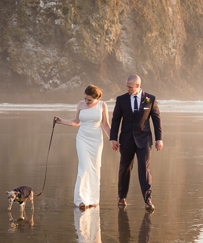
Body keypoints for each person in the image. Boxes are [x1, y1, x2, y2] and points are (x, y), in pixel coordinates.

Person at [108, 74, 162, 210]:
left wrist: (159, 139)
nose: (127, 89)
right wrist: (113, 138)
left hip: (144, 140)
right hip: (126, 140)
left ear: (138, 85)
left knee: (145, 169)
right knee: (125, 168)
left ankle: (148, 200)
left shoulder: (150, 99)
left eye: (130, 87)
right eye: (126, 86)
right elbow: (116, 120)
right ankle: (121, 197)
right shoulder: (121, 99)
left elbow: (156, 120)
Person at [55, 84, 107, 209]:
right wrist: (62, 121)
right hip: (82, 139)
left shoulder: (102, 105)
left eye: (89, 100)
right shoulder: (80, 105)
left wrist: (113, 140)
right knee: (84, 168)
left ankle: (93, 199)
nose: (86, 102)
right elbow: (76, 122)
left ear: (97, 98)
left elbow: (105, 125)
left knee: (95, 169)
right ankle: (81, 200)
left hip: (96, 141)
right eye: (85, 98)